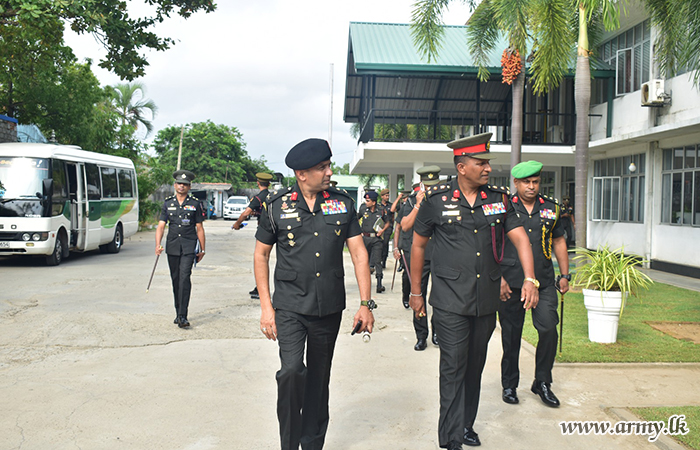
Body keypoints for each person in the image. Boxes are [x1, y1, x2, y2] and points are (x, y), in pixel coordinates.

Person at [410, 133, 539, 450]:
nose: (487, 168)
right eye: (480, 163)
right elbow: (418, 245)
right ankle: (451, 438)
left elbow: (520, 237)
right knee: (453, 365)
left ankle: (466, 425)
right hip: (450, 299)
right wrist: (416, 292)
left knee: (474, 365)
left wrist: (529, 278)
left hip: (485, 299)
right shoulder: (436, 200)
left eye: (487, 163)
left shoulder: (498, 198)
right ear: (461, 167)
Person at [253, 138, 374, 450]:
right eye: (323, 167)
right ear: (302, 174)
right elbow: (260, 255)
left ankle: (312, 444)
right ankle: (290, 444)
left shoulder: (343, 203)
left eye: (328, 165)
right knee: (292, 371)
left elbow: (360, 254)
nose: (329, 172)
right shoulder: (276, 207)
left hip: (328, 307)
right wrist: (267, 307)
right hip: (290, 307)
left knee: (319, 380)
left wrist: (365, 304)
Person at [499, 160, 570, 408]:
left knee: (549, 328)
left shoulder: (552, 208)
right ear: (516, 183)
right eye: (526, 182)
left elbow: (559, 241)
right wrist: (500, 277)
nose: (531, 186)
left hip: (544, 281)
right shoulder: (504, 208)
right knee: (511, 336)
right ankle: (509, 384)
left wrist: (565, 274)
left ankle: (542, 382)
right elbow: (492, 245)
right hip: (511, 283)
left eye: (535, 181)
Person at [155, 170, 206, 328]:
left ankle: (183, 316)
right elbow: (161, 226)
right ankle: (178, 313)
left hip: (189, 246)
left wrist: (202, 249)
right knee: (175, 280)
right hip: (172, 246)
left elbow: (199, 228)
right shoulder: (167, 203)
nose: (181, 186)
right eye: (179, 183)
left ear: (189, 187)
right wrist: (158, 244)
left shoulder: (195, 204)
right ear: (174, 185)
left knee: (185, 278)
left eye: (184, 184)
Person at [398, 166, 442, 351]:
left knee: (441, 297)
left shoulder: (445, 198)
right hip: (420, 257)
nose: (430, 189)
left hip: (441, 256)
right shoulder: (412, 200)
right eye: (427, 185)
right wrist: (418, 204)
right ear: (421, 184)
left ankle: (438, 332)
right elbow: (405, 225)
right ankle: (421, 335)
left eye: (434, 185)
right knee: (418, 295)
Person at [233, 172, 274, 300]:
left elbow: (246, 212)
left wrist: (237, 223)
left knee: (261, 258)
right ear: (269, 184)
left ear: (258, 183)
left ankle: (260, 290)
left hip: (265, 230)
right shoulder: (273, 196)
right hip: (277, 228)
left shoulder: (258, 198)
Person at [359, 190, 390, 294]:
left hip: (376, 239)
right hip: (365, 238)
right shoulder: (363, 208)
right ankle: (364, 283)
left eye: (368, 200)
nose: (366, 202)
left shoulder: (381, 210)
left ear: (373, 202)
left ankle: (379, 284)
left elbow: (387, 222)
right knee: (364, 261)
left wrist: (382, 230)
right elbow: (355, 219)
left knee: (377, 261)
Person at [378, 188, 395, 269]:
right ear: (382, 196)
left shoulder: (390, 205)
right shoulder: (378, 205)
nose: (387, 197)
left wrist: (391, 226)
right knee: (379, 244)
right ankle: (378, 260)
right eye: (386, 196)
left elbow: (393, 216)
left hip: (388, 227)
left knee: (385, 244)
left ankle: (384, 261)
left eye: (388, 195)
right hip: (380, 227)